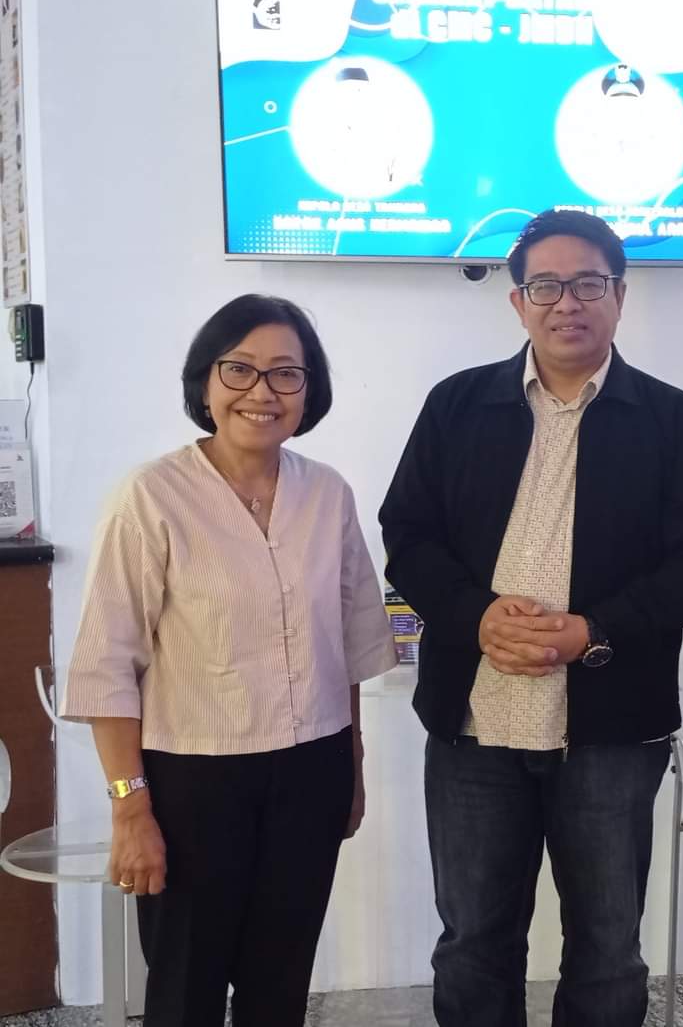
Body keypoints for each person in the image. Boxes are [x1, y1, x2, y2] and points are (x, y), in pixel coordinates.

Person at [379, 208, 683, 1027]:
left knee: (608, 948)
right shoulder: (457, 405)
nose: (566, 302)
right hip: (475, 723)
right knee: (473, 942)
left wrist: (593, 631)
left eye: (587, 284)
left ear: (620, 296)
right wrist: (476, 618)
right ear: (518, 302)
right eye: (545, 285)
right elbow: (408, 534)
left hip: (612, 728)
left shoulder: (674, 419)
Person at [60, 294, 397, 1027]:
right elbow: (106, 669)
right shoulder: (151, 497)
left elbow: (345, 647)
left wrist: (353, 769)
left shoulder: (327, 494)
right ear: (206, 381)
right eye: (239, 368)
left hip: (312, 771)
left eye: (286, 373)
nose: (261, 391)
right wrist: (130, 808)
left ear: (309, 389)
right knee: (186, 987)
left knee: (280, 983)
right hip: (191, 782)